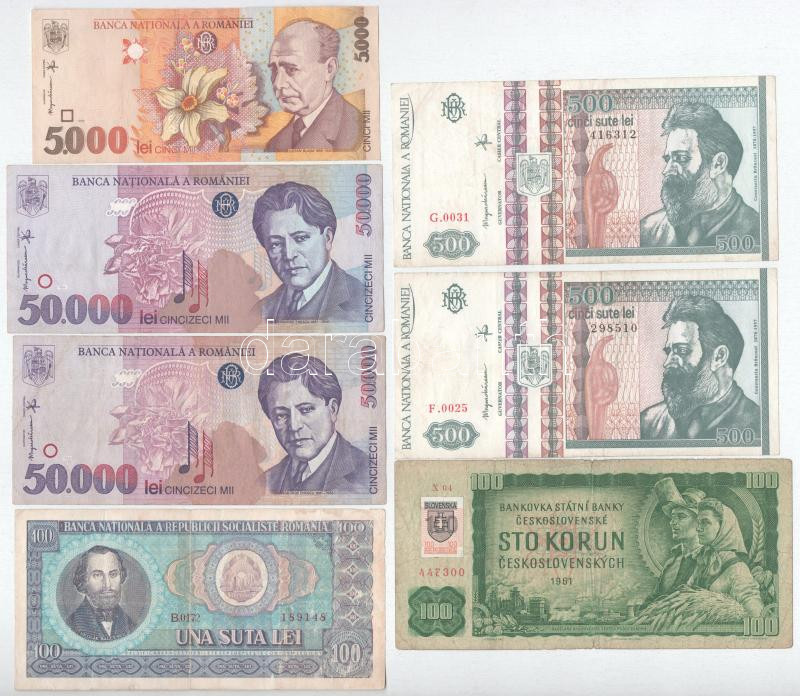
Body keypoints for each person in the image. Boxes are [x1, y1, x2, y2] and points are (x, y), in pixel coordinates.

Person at [640, 294, 760, 440]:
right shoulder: (649, 422)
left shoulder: (757, 423)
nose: (667, 363)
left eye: (682, 350)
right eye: (669, 352)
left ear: (719, 357)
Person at [640, 102, 759, 248]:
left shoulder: (757, 231)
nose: (666, 170)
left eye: (681, 158)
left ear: (718, 164)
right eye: (668, 159)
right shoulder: (648, 230)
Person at [252, 181, 364, 323]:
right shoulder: (260, 311)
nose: (289, 255)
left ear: (327, 238)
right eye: (276, 244)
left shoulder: (361, 302)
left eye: (300, 238)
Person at [257, 352, 369, 493]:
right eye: (281, 415)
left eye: (306, 410)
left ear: (333, 409)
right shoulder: (266, 482)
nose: (294, 426)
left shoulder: (367, 474)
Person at [265, 19, 361, 152]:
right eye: (274, 70)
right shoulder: (274, 145)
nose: (278, 83)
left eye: (292, 69)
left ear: (329, 69)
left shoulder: (357, 130)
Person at [689, 498, 764, 617]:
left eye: (705, 522)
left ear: (724, 527)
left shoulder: (738, 570)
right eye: (698, 522)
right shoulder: (704, 560)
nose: (698, 528)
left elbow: (756, 614)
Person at [643, 478, 706, 604]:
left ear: (699, 522)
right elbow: (655, 599)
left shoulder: (711, 560)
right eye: (672, 517)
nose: (673, 522)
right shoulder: (671, 563)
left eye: (681, 517)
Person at [66, 546, 137, 641]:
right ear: (83, 580)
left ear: (121, 576)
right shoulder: (71, 625)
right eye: (97, 575)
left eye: (113, 574)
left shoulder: (131, 625)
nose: (107, 585)